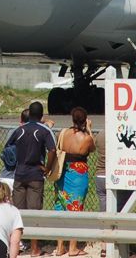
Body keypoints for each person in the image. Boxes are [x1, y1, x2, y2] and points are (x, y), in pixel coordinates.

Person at [6, 101, 56, 257]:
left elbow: (8, 148)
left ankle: (16, 246)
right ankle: (34, 248)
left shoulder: (19, 130)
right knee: (34, 212)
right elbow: (52, 150)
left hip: (19, 174)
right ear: (41, 116)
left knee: (17, 213)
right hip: (35, 174)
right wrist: (47, 168)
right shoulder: (43, 130)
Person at [53, 107, 95, 257]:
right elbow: (93, 149)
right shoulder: (86, 138)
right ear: (85, 120)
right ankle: (73, 247)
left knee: (61, 206)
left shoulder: (63, 133)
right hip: (78, 174)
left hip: (63, 172)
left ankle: (59, 247)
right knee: (76, 208)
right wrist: (89, 129)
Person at [0, 110, 29, 193]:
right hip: (24, 178)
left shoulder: (13, 131)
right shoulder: (38, 132)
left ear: (21, 120)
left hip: (6, 176)